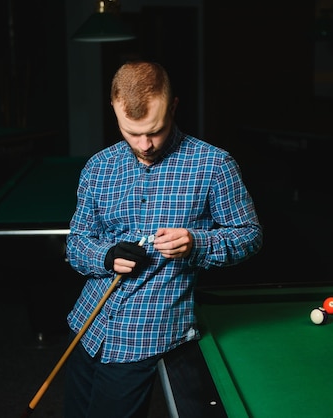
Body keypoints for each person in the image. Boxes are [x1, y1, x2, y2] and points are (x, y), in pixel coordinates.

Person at [63, 60, 263, 418]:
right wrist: (105, 256)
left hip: (145, 333)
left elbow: (249, 236)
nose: (145, 144)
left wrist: (196, 243)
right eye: (132, 132)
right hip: (87, 325)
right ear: (114, 109)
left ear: (173, 107)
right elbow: (76, 245)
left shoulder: (214, 165)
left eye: (155, 130)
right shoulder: (97, 167)